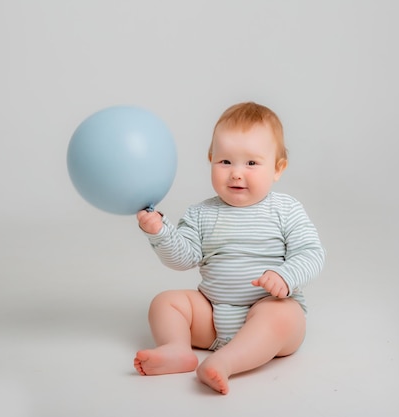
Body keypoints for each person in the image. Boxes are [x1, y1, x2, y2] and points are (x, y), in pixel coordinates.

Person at [134, 101, 325, 394]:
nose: (236, 173)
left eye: (251, 163)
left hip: (265, 309)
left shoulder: (285, 209)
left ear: (278, 168)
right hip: (212, 316)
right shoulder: (201, 213)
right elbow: (183, 258)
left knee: (282, 316)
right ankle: (176, 348)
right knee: (166, 302)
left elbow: (311, 253)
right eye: (225, 162)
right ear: (211, 160)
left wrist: (286, 276)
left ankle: (225, 362)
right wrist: (160, 232)